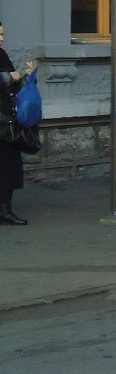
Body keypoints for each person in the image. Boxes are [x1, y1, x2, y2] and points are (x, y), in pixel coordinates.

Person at [0, 21, 37, 226]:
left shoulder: (1, 55)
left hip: (6, 124)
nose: (1, 38)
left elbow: (13, 87)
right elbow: (7, 79)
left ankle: (5, 209)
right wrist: (7, 77)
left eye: (2, 34)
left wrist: (27, 77)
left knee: (9, 166)